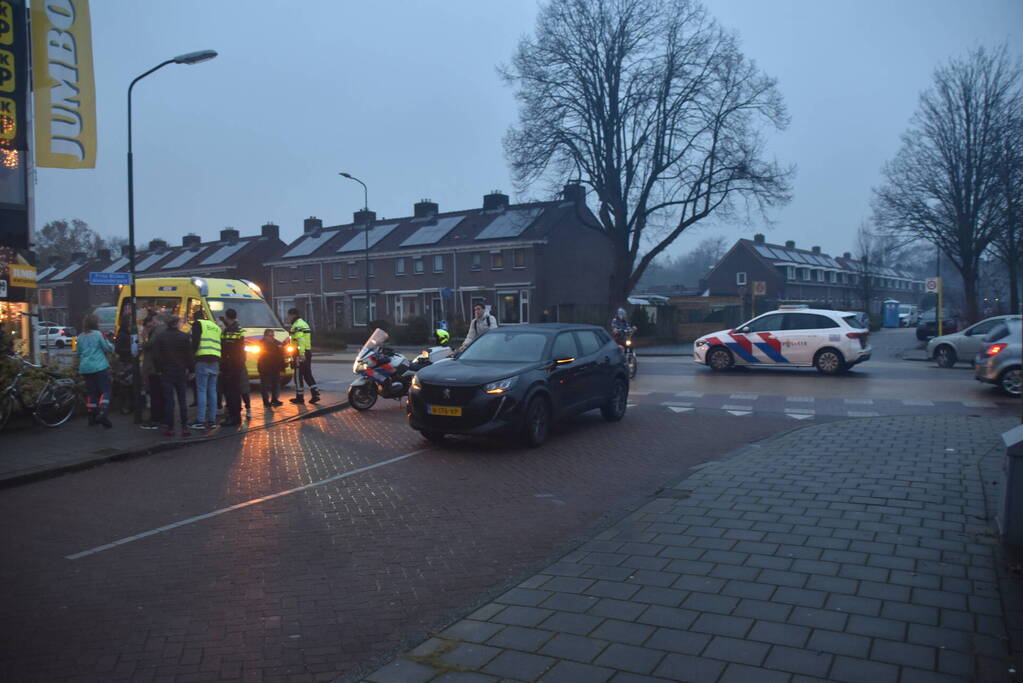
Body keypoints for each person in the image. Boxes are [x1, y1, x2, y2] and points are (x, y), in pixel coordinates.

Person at [151, 314, 194, 438]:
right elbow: (189, 355)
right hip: (180, 372)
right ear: (177, 323)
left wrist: (159, 369)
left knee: (169, 401)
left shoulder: (161, 337)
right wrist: (191, 370)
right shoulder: (184, 337)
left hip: (166, 372)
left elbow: (156, 356)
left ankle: (170, 428)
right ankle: (184, 427)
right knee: (182, 400)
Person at [77, 313, 114, 429]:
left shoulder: (80, 337)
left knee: (91, 392)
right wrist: (109, 342)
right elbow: (108, 348)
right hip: (99, 367)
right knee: (105, 391)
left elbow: (78, 353)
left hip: (85, 368)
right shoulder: (98, 334)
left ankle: (91, 417)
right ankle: (102, 413)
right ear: (95, 323)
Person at [189, 308, 221, 430]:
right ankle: (212, 420)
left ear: (195, 318)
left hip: (202, 359)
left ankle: (200, 420)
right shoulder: (215, 326)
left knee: (201, 390)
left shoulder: (198, 324)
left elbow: (195, 343)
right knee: (212, 391)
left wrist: (192, 360)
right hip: (215, 360)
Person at [286, 308, 320, 404]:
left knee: (298, 375)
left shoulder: (297, 325)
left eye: (288, 315)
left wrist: (301, 354)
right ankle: (315, 393)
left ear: (292, 315)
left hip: (300, 353)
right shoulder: (303, 323)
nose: (287, 318)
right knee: (307, 374)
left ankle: (299, 397)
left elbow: (300, 340)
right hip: (307, 352)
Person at [219, 308, 246, 426]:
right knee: (235, 391)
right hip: (237, 364)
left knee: (231, 392)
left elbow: (227, 348)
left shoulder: (231, 330)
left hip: (231, 365)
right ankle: (236, 416)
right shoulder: (238, 328)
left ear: (227, 317)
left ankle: (233, 417)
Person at [139, 312, 166, 429]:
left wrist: (143, 340)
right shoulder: (162, 330)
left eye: (153, 321)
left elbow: (149, 345)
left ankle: (155, 420)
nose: (152, 323)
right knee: (159, 394)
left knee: (155, 395)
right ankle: (161, 418)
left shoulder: (157, 331)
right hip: (159, 368)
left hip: (154, 369)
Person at [258, 329, 285, 408]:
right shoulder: (262, 343)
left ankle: (274, 399)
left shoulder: (276, 343)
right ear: (265, 336)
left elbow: (281, 349)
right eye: (270, 336)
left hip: (275, 367)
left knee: (276, 384)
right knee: (265, 385)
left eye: (273, 336)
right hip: (265, 367)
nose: (271, 337)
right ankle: (266, 401)